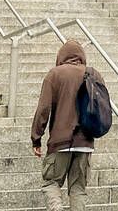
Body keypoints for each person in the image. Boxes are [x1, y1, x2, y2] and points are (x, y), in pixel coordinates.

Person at [31, 39, 106, 211]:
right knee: (78, 189)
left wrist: (36, 138)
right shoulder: (93, 73)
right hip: (85, 142)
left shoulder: (55, 74)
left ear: (61, 56)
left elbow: (43, 108)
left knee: (51, 182)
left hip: (60, 142)